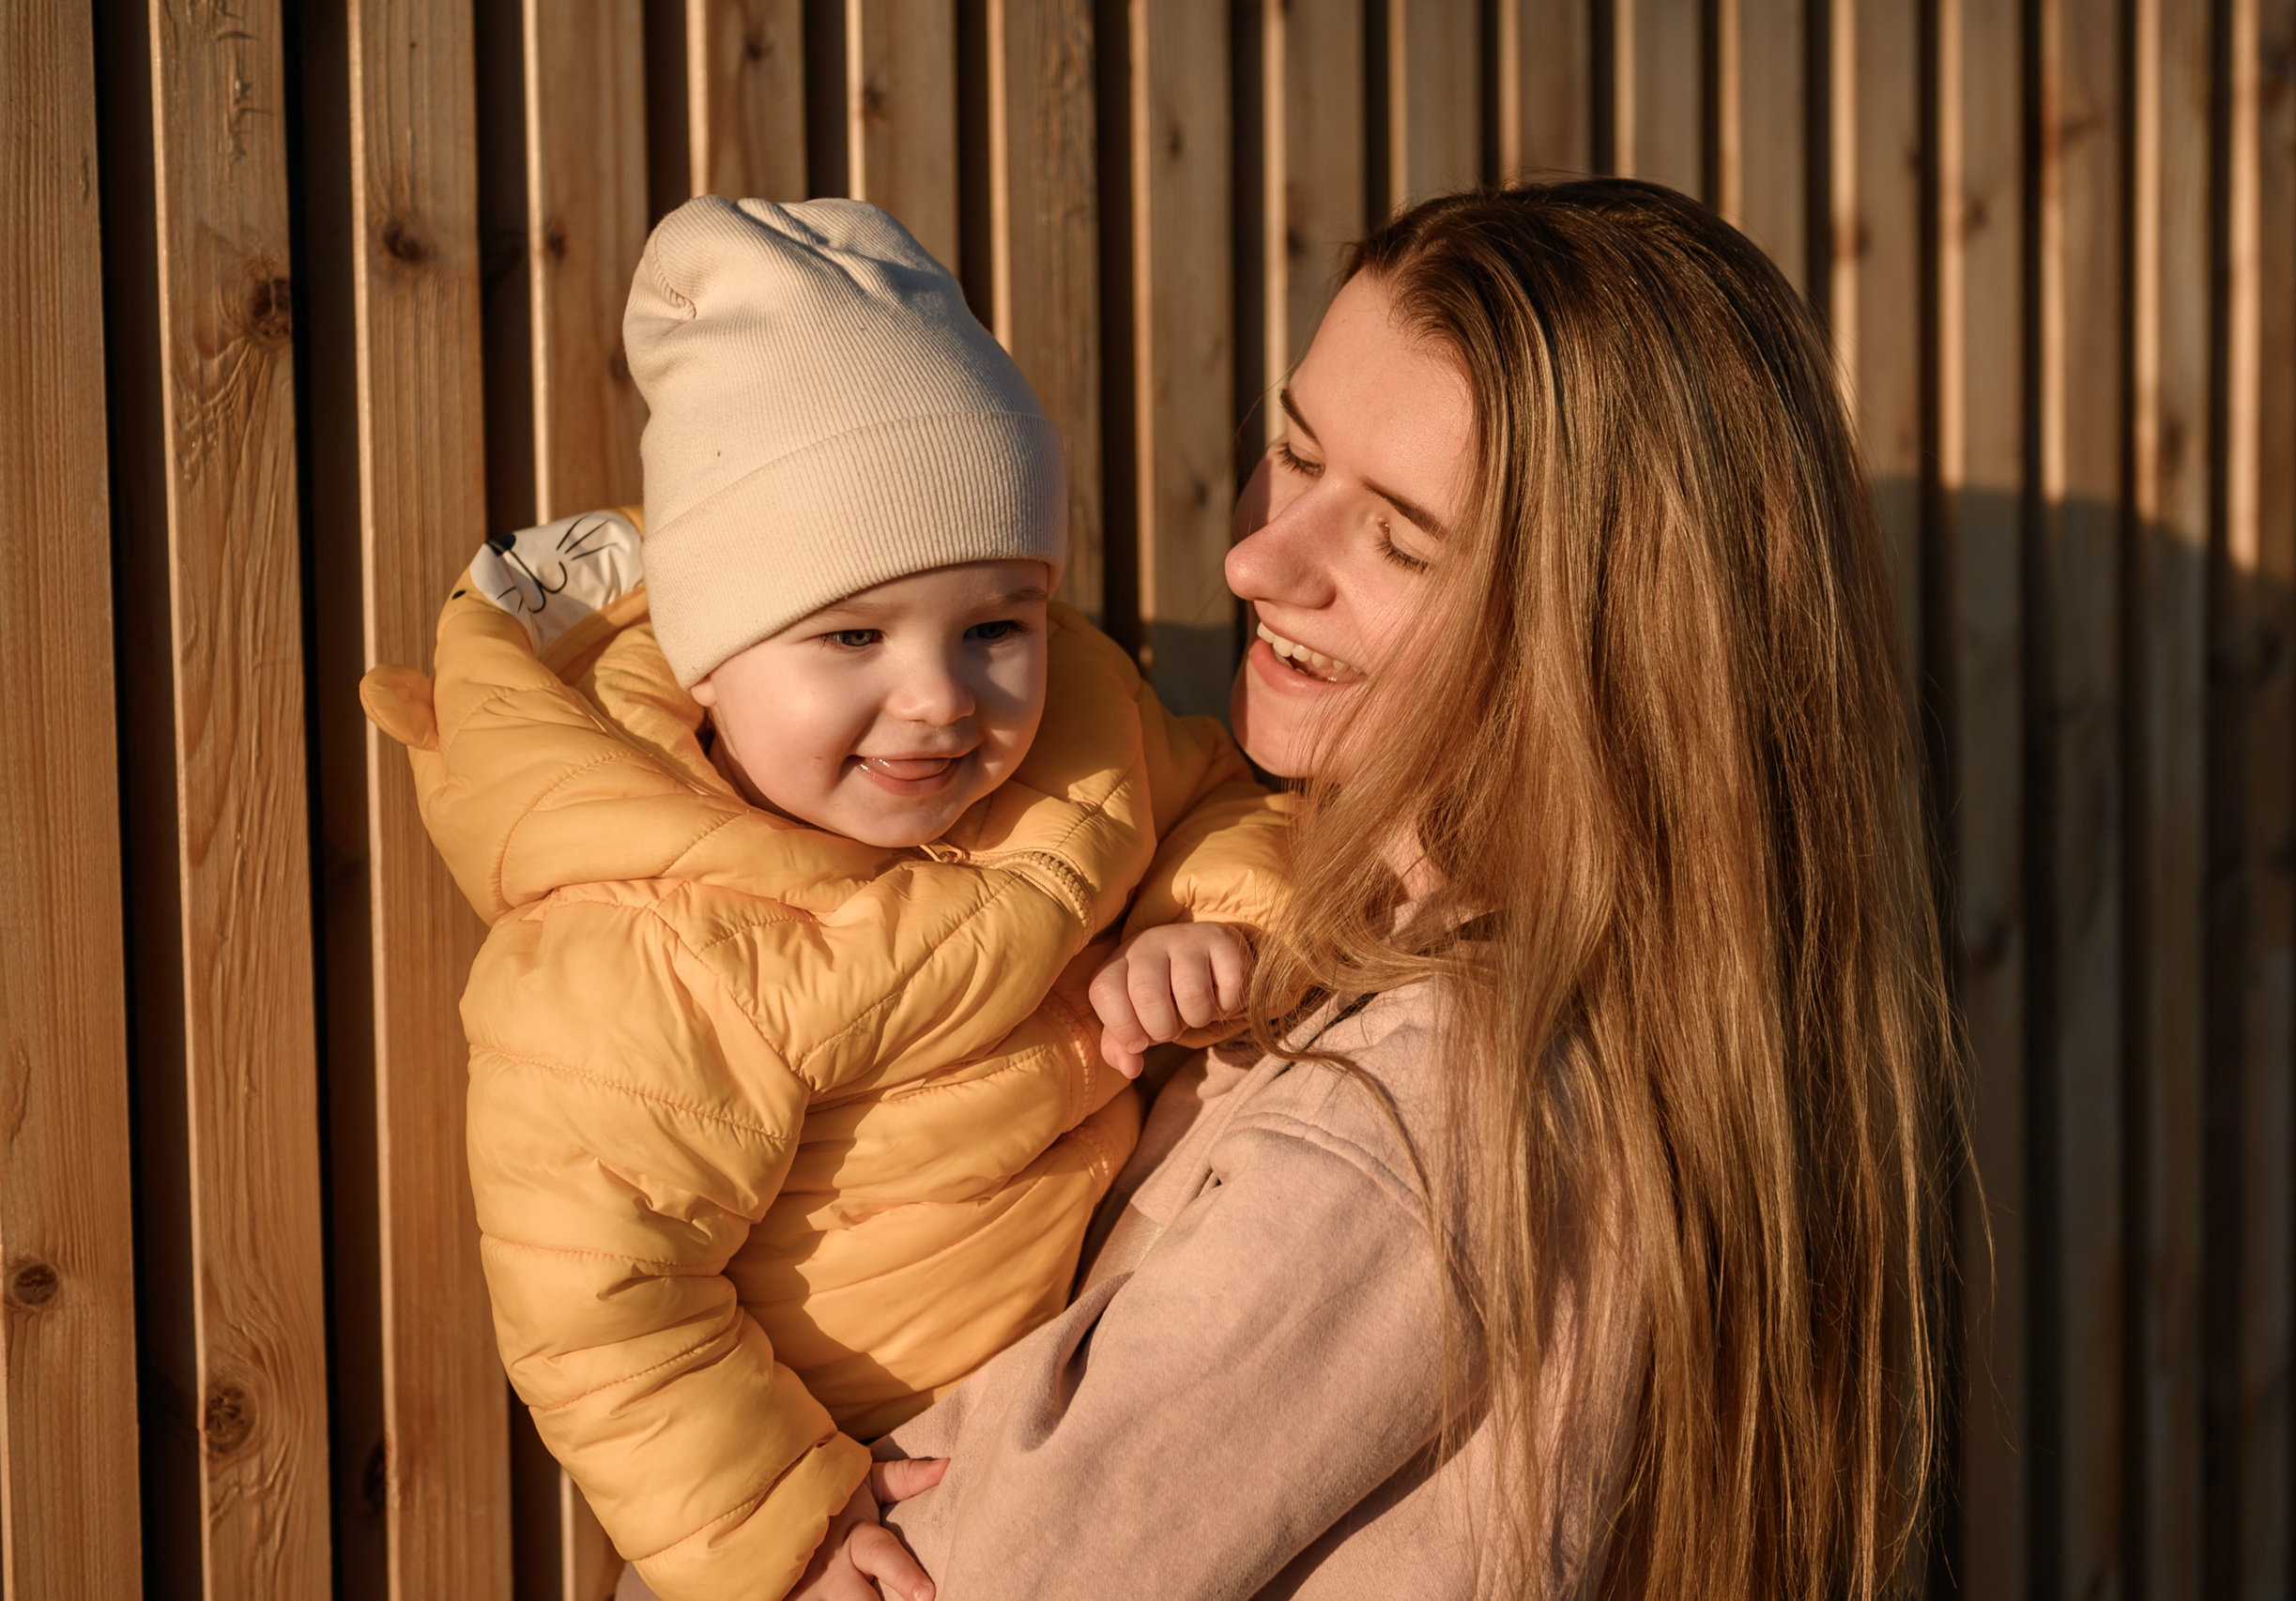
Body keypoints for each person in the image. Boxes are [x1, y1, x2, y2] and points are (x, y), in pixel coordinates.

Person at [867, 177, 1961, 1598]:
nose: (1257, 556)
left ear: (1610, 640)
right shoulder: (1594, 1020)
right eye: (1293, 450)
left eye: (1396, 537)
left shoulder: (1420, 1106)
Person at [360, 196, 1286, 1601]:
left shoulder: (1085, 734)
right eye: (850, 633)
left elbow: (1222, 799)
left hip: (1100, 1363)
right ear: (706, 657)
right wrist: (785, 1522)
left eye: (995, 625)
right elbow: (600, 1294)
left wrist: (1204, 922)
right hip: (852, 1475)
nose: (937, 697)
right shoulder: (648, 933)